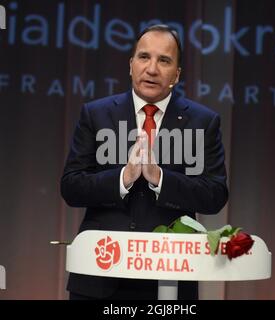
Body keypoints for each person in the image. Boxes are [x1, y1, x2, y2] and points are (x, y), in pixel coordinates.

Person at [61, 24, 228, 300]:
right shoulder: (96, 114)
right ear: (131, 65)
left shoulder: (203, 121)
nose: (152, 68)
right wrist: (123, 178)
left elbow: (215, 194)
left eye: (164, 60)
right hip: (99, 274)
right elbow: (71, 186)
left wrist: (161, 178)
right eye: (144, 57)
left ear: (177, 74)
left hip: (169, 278)